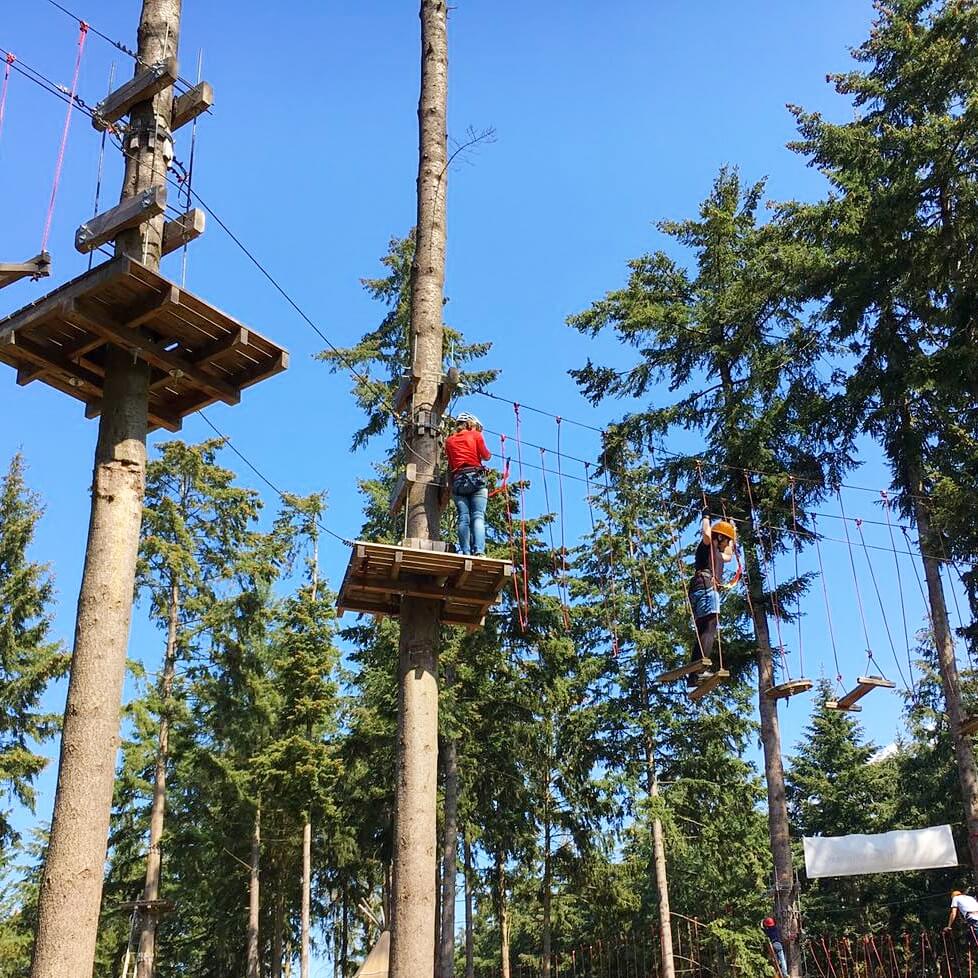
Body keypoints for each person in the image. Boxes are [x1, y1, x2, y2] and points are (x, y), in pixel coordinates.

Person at [686, 510, 737, 688]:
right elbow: (707, 533)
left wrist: (732, 528)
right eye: (727, 540)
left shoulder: (718, 553)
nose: (728, 544)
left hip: (701, 587)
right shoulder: (708, 545)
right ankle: (699, 670)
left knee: (704, 629)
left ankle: (694, 675)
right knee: (710, 625)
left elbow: (730, 556)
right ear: (720, 538)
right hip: (706, 586)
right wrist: (706, 518)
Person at [444, 412, 491, 556]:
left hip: (459, 480)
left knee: (463, 517)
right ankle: (479, 551)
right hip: (476, 478)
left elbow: (452, 465)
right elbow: (486, 456)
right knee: (477, 516)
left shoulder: (449, 441)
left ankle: (465, 551)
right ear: (470, 424)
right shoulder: (475, 435)